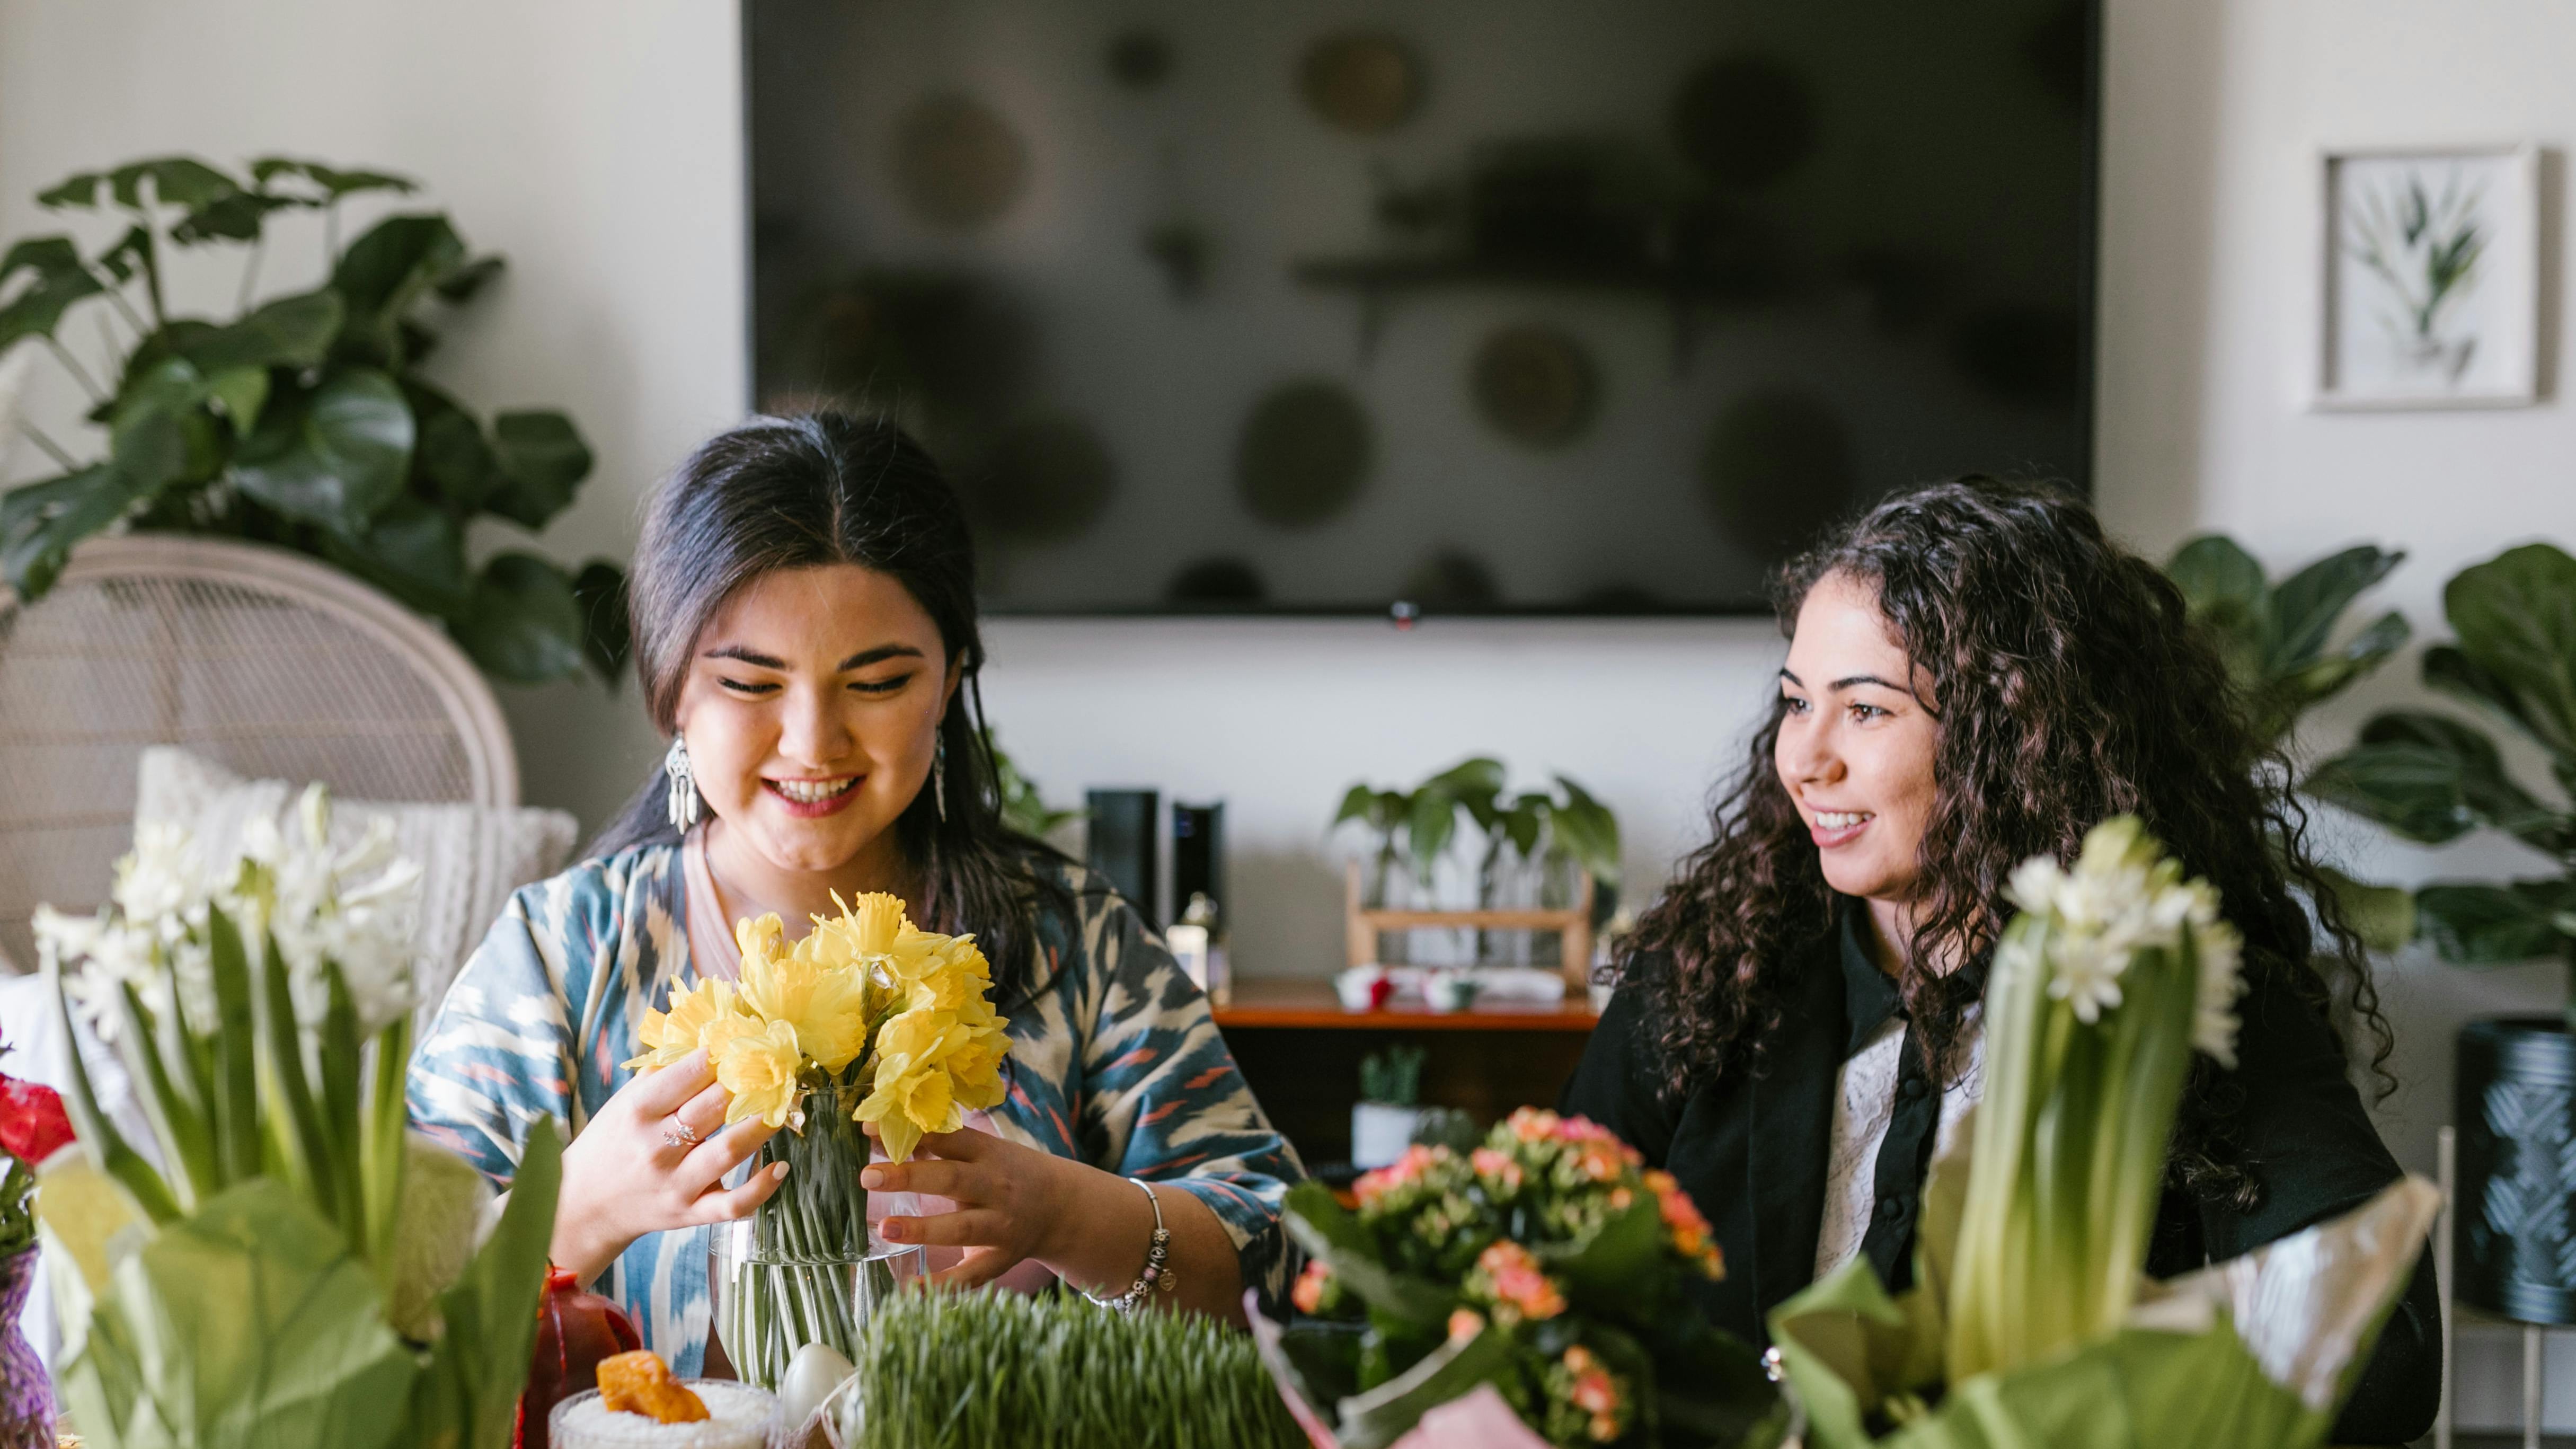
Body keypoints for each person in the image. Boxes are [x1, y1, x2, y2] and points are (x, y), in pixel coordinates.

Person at [407, 413, 1300, 1373]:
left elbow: (1290, 1254)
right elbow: (376, 1316)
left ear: (952, 678)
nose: (812, 742)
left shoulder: (1067, 941)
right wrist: (578, 1209)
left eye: (875, 682)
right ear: (671, 691)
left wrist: (1071, 1214)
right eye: (751, 683)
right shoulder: (560, 955)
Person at [1560, 480, 2438, 1445]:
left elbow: (2378, 1347)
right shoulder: (1711, 966)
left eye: (1865, 711)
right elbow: (1544, 1251)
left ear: (2008, 739)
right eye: (1795, 700)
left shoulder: (2170, 988)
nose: (1803, 757)